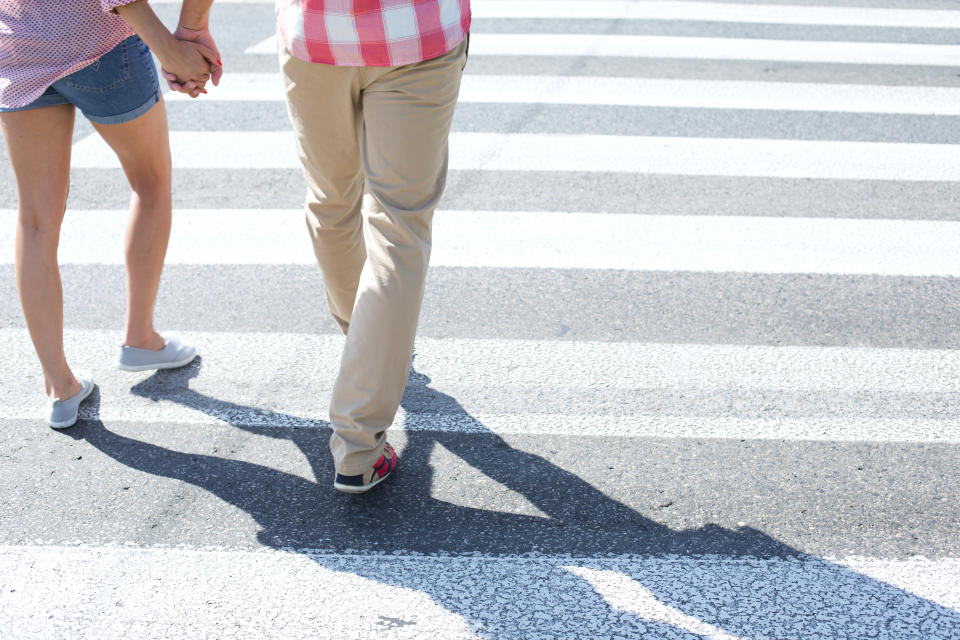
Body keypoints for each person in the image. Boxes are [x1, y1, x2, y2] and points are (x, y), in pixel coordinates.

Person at [276, 0, 472, 493]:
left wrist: (191, 25)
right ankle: (358, 442)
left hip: (316, 36)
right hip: (416, 33)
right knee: (399, 226)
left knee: (331, 204)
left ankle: (366, 344)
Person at [0, 0, 220, 429]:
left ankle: (60, 386)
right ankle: (140, 337)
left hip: (17, 45)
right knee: (151, 184)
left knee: (36, 220)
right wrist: (171, 50)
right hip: (98, 44)